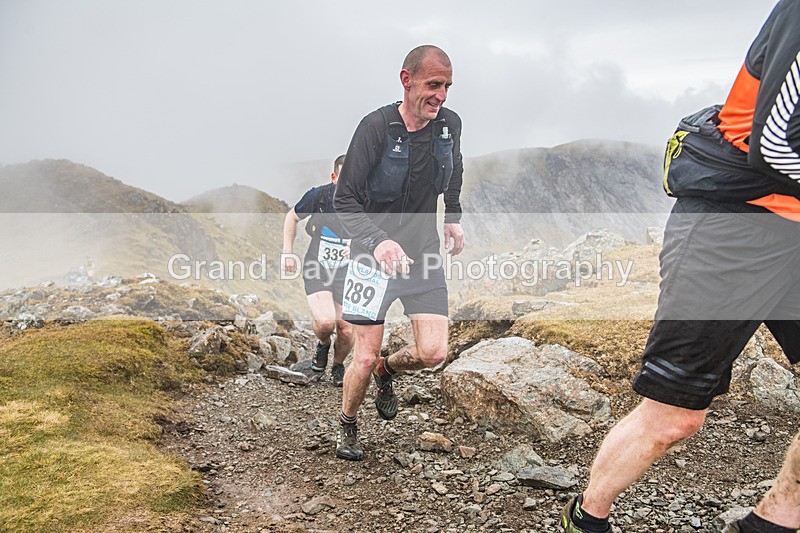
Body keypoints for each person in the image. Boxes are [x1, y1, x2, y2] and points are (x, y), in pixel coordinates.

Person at [561, 2, 800, 532]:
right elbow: (775, 140)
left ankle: (774, 520)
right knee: (674, 417)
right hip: (734, 226)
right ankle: (585, 517)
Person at [332, 45, 465, 461]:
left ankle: (388, 370)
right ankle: (348, 424)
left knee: (433, 353)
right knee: (364, 357)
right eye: (433, 84)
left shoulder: (449, 125)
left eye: (447, 86)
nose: (441, 95)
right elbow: (344, 200)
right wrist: (378, 241)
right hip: (369, 261)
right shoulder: (375, 128)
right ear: (407, 80)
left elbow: (456, 168)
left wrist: (452, 216)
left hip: (422, 256)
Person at [282, 155, 354, 386]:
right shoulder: (319, 196)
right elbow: (292, 216)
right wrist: (287, 252)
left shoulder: (368, 200)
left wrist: (359, 246)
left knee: (346, 330)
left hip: (349, 271)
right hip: (318, 266)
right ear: (334, 177)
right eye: (344, 178)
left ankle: (338, 365)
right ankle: (323, 345)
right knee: (325, 323)